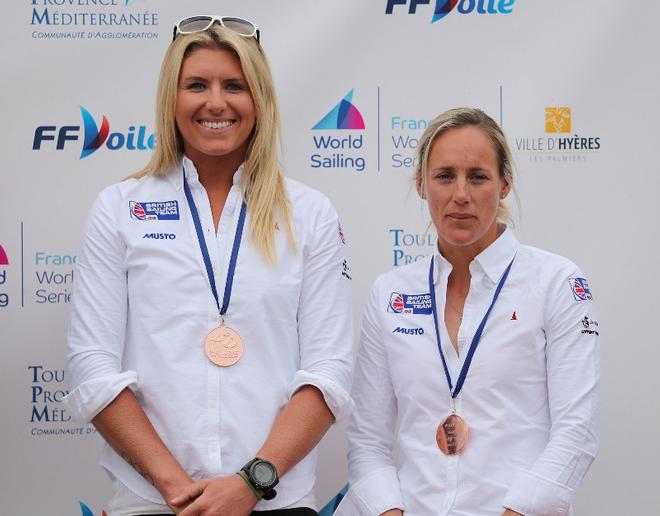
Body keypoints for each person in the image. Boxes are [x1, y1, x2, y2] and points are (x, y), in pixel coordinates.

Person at [65, 16, 353, 516]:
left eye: (235, 86)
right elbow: (93, 366)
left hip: (273, 501)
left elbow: (327, 373)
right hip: (153, 502)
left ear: (258, 98)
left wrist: (248, 483)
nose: (216, 102)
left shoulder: (309, 213)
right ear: (171, 99)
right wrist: (177, 489)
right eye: (196, 84)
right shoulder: (118, 208)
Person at [334, 107, 599, 516]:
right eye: (444, 176)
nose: (461, 194)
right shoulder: (390, 293)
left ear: (504, 184)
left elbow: (576, 435)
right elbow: (367, 440)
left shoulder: (556, 282)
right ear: (422, 185)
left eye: (478, 176)